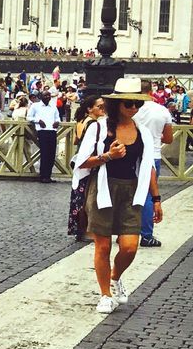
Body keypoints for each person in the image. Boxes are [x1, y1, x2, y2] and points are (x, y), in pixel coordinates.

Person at [71, 78, 161, 314]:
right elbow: (81, 162)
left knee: (130, 246)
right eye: (129, 103)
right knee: (102, 246)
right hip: (102, 188)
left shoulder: (142, 132)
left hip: (131, 190)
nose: (134, 109)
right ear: (118, 103)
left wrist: (157, 198)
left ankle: (115, 276)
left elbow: (147, 165)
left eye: (137, 105)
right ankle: (105, 294)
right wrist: (108, 156)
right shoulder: (99, 127)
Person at [132, 94, 173, 247]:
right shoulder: (162, 111)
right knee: (148, 195)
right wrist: (155, 136)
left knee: (129, 193)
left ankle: (126, 232)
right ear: (150, 93)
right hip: (152, 154)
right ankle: (147, 235)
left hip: (130, 155)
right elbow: (169, 139)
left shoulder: (129, 109)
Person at [68, 96, 105, 242]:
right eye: (100, 106)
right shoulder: (94, 124)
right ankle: (85, 230)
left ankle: (80, 230)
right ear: (90, 108)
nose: (103, 109)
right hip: (88, 160)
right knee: (86, 197)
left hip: (80, 156)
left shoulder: (81, 121)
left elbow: (76, 140)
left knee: (80, 197)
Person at [27, 90, 61, 183]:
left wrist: (57, 122)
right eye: (45, 96)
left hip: (52, 130)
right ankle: (43, 175)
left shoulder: (53, 106)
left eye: (49, 96)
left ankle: (48, 175)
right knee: (45, 153)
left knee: (52, 154)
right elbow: (29, 117)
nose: (47, 97)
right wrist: (38, 120)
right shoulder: (35, 106)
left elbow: (58, 117)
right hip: (42, 131)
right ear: (41, 97)